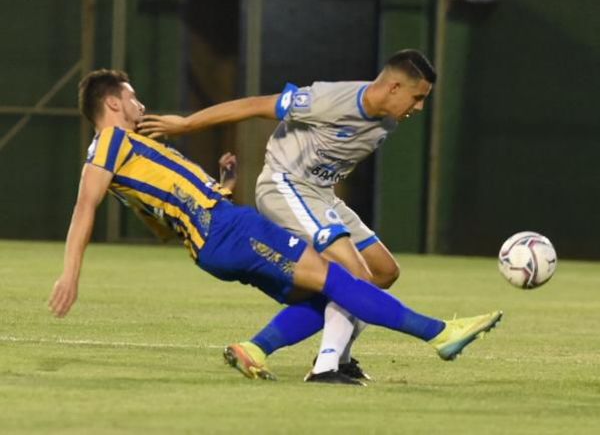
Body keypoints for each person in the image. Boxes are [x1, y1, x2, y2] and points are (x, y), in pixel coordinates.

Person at [49, 69, 502, 386]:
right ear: (113, 102)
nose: (140, 103)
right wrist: (70, 273)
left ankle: (256, 348)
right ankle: (439, 333)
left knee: (326, 296)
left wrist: (220, 185)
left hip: (215, 240)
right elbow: (83, 207)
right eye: (132, 97)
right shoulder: (109, 142)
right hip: (228, 230)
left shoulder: (137, 150)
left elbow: (164, 229)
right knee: (339, 280)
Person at [137, 49, 438, 384]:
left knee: (383, 272)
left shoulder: (387, 119)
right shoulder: (330, 99)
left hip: (321, 194)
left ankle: (313, 352)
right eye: (418, 97)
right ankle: (328, 366)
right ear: (394, 87)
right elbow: (254, 105)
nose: (420, 107)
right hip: (286, 185)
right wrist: (187, 124)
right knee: (355, 277)